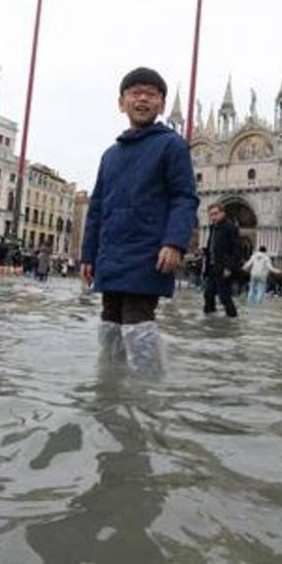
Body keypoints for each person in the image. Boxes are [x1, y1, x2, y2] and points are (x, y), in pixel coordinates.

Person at [81, 67, 199, 373]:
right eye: (135, 93)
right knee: (109, 318)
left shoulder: (172, 145)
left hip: (148, 249)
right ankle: (109, 385)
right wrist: (88, 255)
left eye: (151, 94)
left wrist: (174, 242)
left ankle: (148, 394)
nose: (143, 99)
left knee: (137, 318)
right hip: (111, 250)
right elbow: (96, 207)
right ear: (122, 103)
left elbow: (184, 197)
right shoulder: (110, 155)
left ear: (161, 104)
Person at [203, 203, 242, 317]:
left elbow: (237, 249)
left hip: (223, 268)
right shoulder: (213, 228)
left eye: (215, 214)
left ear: (222, 213)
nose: (213, 217)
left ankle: (232, 319)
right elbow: (213, 246)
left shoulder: (230, 227)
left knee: (224, 296)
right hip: (211, 267)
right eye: (211, 215)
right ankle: (210, 319)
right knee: (208, 294)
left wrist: (229, 267)